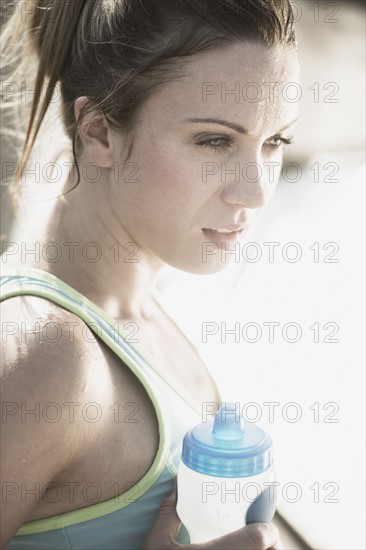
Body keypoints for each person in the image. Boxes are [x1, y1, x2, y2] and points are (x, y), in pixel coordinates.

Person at [0, 0, 299, 548]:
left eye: (275, 141)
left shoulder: (143, 292)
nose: (255, 192)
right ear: (99, 134)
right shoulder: (46, 357)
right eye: (214, 141)